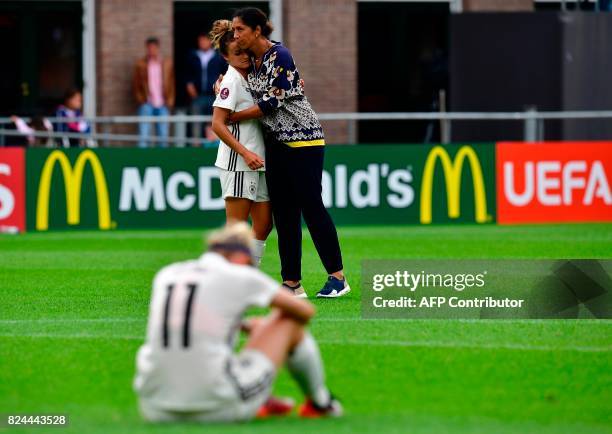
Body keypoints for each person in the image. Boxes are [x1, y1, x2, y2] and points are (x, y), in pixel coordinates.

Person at [133, 222, 343, 422]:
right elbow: (305, 312)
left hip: (152, 406)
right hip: (217, 404)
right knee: (288, 321)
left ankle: (263, 397)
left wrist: (239, 324)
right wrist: (259, 326)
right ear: (242, 257)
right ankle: (320, 403)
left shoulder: (167, 273)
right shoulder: (239, 275)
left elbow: (189, 322)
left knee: (211, 345)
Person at [227, 7, 350, 298]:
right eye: (234, 30)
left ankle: (338, 277)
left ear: (257, 30)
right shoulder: (253, 61)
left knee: (311, 205)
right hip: (276, 144)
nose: (236, 35)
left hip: (303, 140)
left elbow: (271, 103)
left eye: (240, 29)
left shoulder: (279, 55)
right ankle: (292, 283)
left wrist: (232, 117)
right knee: (284, 214)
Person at [209, 20, 272, 271]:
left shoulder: (254, 75)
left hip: (258, 160)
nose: (244, 57)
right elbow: (217, 124)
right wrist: (245, 153)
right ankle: (223, 276)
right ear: (225, 56)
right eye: (237, 53)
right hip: (239, 162)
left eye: (245, 51)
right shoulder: (231, 81)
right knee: (235, 229)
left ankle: (247, 272)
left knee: (265, 224)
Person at [133, 37, 175, 148]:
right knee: (143, 135)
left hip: (162, 103)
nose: (151, 50)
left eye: (153, 48)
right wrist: (141, 100)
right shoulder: (141, 64)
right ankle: (141, 161)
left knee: (163, 136)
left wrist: (170, 100)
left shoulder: (166, 63)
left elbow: (171, 82)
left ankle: (163, 161)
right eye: (149, 48)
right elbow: (136, 85)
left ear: (158, 48)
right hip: (147, 103)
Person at [185, 32, 227, 145]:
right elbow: (188, 75)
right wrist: (190, 86)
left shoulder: (218, 56)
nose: (202, 43)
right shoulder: (193, 56)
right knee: (196, 123)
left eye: (204, 40)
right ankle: (196, 148)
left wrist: (221, 90)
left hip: (215, 96)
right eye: (200, 41)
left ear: (210, 41)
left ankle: (214, 148)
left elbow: (225, 74)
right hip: (198, 96)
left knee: (214, 123)